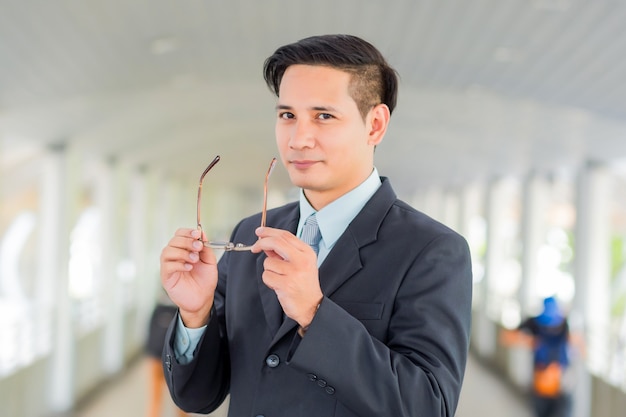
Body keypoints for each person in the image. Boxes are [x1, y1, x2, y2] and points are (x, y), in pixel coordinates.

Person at [159, 34, 473, 417]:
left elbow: (429, 405)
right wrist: (196, 316)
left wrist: (314, 312)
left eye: (324, 116)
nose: (298, 139)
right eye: (287, 115)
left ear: (374, 125)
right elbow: (198, 397)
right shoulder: (250, 234)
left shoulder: (431, 250)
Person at [501, 297, 584, 417]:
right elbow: (506, 337)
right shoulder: (534, 323)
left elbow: (582, 348)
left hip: (561, 388)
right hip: (540, 387)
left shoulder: (566, 325)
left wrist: (574, 344)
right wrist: (529, 341)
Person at [144, 291, 188, 417]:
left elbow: (149, 335)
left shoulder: (157, 309)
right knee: (180, 397)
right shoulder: (179, 311)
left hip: (154, 358)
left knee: (154, 396)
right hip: (173, 360)